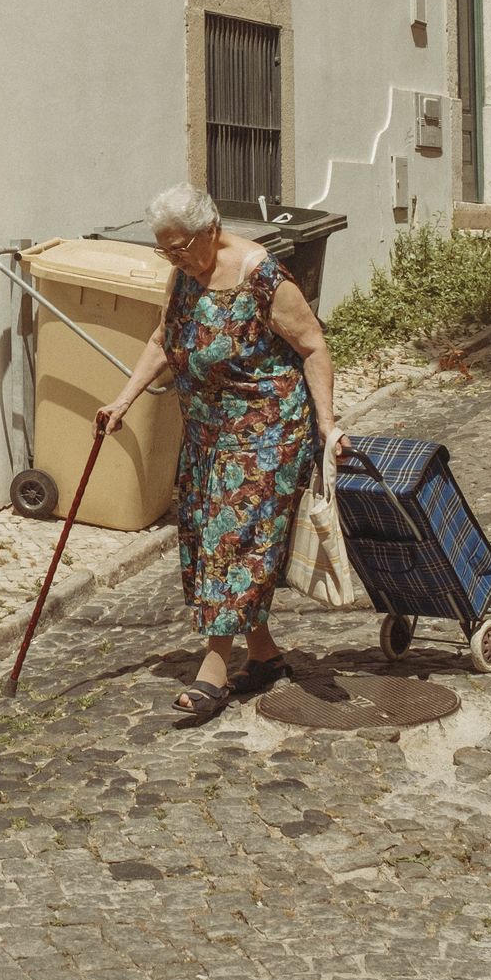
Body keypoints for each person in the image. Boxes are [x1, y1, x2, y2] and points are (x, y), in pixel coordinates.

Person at [97, 183, 340, 717]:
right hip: (208, 431)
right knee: (208, 536)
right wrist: (122, 401)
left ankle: (213, 670)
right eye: (165, 249)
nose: (174, 257)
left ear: (211, 231)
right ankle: (265, 656)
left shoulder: (262, 276)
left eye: (181, 246)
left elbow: (314, 344)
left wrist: (326, 423)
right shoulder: (185, 273)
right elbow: (165, 339)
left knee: (231, 541)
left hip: (267, 429)